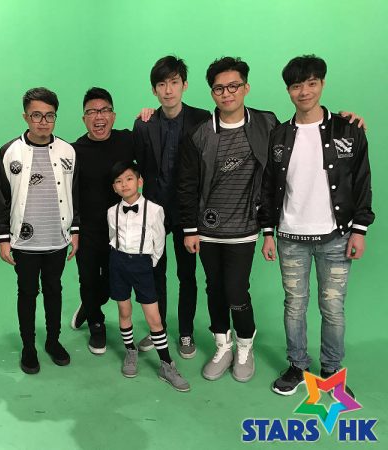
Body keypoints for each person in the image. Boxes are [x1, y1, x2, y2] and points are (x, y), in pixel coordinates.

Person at [259, 55, 374, 397]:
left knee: (333, 308)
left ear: (322, 83)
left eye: (311, 83)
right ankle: (297, 365)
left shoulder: (348, 130)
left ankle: (331, 371)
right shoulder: (279, 134)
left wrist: (360, 229)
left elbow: (361, 180)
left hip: (336, 236)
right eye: (297, 85)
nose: (304, 91)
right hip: (290, 236)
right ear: (288, 90)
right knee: (294, 305)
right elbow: (269, 185)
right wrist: (268, 232)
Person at [178, 57, 279, 382]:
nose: (227, 93)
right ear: (212, 93)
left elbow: (298, 137)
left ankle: (245, 346)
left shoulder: (267, 124)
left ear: (246, 88)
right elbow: (187, 184)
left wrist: (343, 123)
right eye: (219, 88)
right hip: (207, 229)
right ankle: (223, 345)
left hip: (244, 229)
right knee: (214, 289)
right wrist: (190, 229)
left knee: (236, 290)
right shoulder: (200, 133)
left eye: (233, 86)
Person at [0, 87, 79, 375]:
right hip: (24, 241)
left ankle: (53, 341)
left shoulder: (68, 152)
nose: (43, 122)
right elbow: (0, 198)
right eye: (36, 115)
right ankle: (28, 346)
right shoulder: (10, 152)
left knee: (54, 290)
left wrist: (75, 230)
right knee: (27, 292)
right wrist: (3, 238)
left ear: (55, 117)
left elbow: (75, 194)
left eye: (49, 116)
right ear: (25, 117)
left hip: (57, 238)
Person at [133, 55, 210, 358]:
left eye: (174, 82)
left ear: (184, 85)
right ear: (154, 90)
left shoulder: (202, 119)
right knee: (155, 272)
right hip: (155, 210)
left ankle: (186, 332)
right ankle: (159, 330)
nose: (168, 90)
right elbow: (139, 166)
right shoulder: (144, 124)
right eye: (162, 84)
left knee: (187, 275)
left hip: (188, 212)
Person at [108, 161, 190, 392]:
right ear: (114, 187)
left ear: (140, 181)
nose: (124, 184)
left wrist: (147, 264)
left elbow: (159, 242)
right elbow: (113, 235)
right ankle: (130, 351)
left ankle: (166, 364)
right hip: (118, 263)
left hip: (143, 265)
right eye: (118, 181)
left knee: (154, 318)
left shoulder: (155, 210)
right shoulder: (111, 212)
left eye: (129, 179)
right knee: (124, 311)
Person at [69, 87, 134, 355]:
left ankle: (90, 303)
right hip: (88, 229)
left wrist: (148, 114)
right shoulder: (74, 151)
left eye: (104, 110)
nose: (99, 116)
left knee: (111, 282)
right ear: (84, 118)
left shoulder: (127, 140)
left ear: (113, 116)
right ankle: (96, 324)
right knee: (87, 278)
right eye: (92, 112)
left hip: (120, 228)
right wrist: (73, 228)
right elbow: (68, 194)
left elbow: (154, 132)